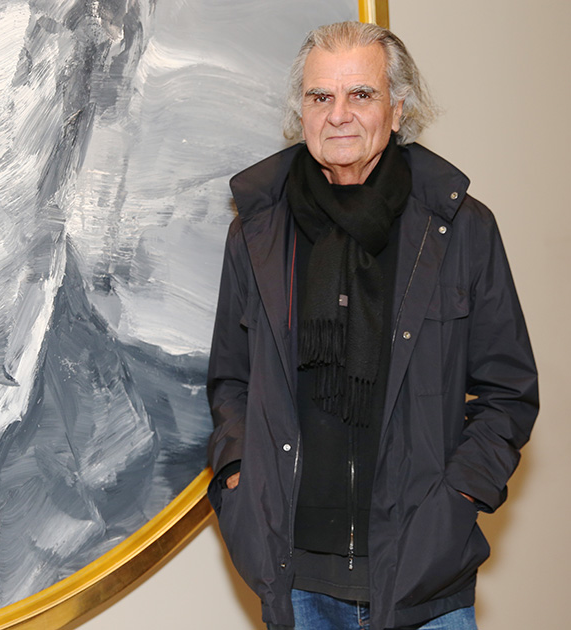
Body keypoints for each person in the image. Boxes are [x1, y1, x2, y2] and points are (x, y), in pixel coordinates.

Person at [206, 21, 538, 630]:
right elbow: (231, 381)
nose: (339, 115)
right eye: (320, 96)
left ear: (398, 108)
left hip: (424, 579)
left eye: (361, 94)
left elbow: (509, 392)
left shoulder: (461, 229)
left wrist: (459, 499)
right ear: (300, 112)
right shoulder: (256, 233)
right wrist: (237, 480)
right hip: (295, 582)